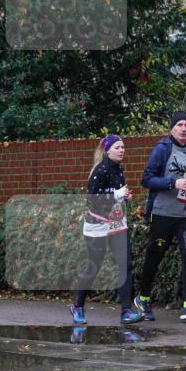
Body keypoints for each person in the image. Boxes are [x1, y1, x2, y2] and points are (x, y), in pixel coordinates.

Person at [134, 112, 186, 321]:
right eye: (179, 125)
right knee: (155, 255)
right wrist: (172, 184)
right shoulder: (162, 149)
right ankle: (143, 298)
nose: (184, 129)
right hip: (163, 213)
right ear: (172, 128)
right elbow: (146, 179)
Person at [70, 135, 145, 326]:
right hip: (97, 226)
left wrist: (123, 198)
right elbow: (93, 201)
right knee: (93, 266)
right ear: (107, 150)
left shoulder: (119, 170)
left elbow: (114, 197)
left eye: (123, 147)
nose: (122, 150)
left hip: (117, 225)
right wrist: (117, 194)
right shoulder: (99, 171)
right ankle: (78, 305)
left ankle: (126, 312)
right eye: (117, 147)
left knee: (125, 265)